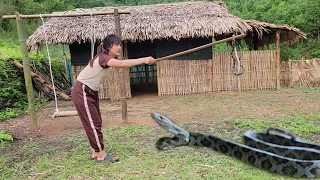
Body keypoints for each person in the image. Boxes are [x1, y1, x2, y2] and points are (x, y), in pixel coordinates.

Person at [71, 34, 156, 162]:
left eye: (120, 45)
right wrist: (144, 59)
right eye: (116, 45)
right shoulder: (103, 58)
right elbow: (122, 63)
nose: (119, 47)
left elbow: (121, 62)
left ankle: (95, 151)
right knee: (93, 123)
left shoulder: (105, 58)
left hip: (90, 91)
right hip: (82, 90)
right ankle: (101, 154)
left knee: (96, 121)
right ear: (108, 46)